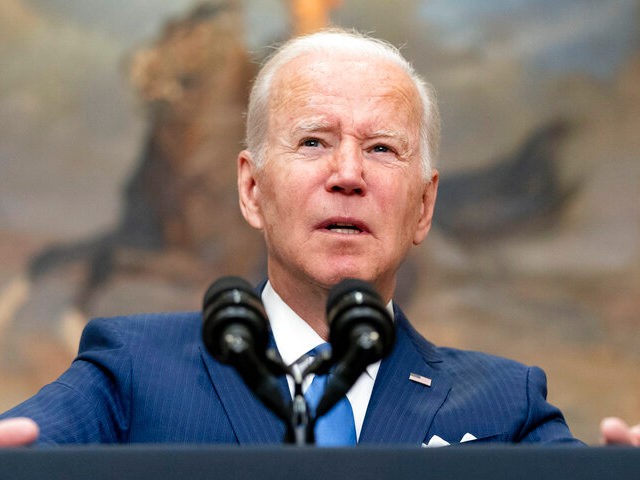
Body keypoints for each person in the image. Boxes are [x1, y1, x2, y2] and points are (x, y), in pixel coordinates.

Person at [0, 29, 638, 447]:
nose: (349, 174)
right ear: (252, 190)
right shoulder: (133, 370)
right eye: (314, 142)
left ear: (423, 207)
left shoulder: (507, 407)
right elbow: (26, 443)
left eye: (383, 149)